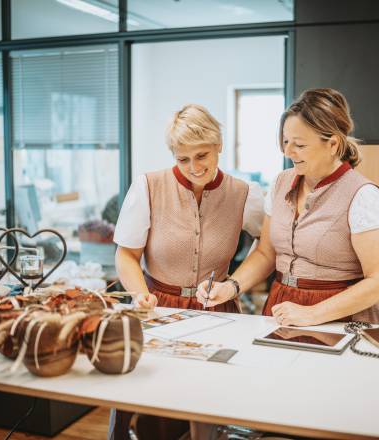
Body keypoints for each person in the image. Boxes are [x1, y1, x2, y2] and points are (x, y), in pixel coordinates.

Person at [110, 104, 264, 440]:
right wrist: (139, 295)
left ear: (219, 145)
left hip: (218, 315)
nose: (194, 167)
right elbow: (126, 255)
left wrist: (235, 285)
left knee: (209, 409)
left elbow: (267, 248)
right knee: (156, 414)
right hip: (159, 311)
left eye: (202, 155)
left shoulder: (244, 194)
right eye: (183, 159)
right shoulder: (148, 187)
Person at [196, 88, 379, 326]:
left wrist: (312, 313)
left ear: (332, 144)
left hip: (341, 318)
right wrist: (231, 287)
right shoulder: (281, 183)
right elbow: (266, 253)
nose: (287, 152)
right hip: (282, 308)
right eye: (285, 142)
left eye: (299, 145)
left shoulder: (363, 196)